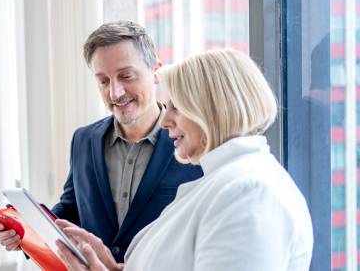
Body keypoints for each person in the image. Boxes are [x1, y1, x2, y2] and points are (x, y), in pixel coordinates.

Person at [55, 49, 314, 270]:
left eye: (176, 108)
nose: (165, 121)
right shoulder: (227, 181)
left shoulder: (250, 192)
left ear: (212, 110)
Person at [0, 21, 203, 262]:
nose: (115, 93)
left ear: (156, 72)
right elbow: (71, 210)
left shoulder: (191, 141)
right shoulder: (84, 140)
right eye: (103, 81)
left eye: (126, 76)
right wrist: (27, 232)